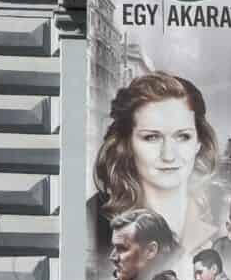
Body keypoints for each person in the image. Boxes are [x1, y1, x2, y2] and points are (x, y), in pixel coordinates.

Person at [92, 73, 223, 262]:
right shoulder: (92, 223)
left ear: (199, 143)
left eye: (183, 136)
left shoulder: (223, 217)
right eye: (152, 137)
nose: (168, 155)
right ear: (126, 145)